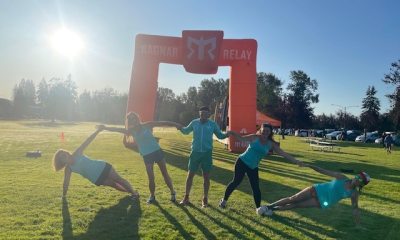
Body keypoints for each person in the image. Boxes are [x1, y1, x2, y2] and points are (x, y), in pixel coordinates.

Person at [218, 123, 303, 214]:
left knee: (256, 187)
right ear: (261, 130)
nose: (265, 132)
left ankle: (258, 208)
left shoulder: (271, 144)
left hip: (253, 167)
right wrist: (232, 133)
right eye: (264, 130)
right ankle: (224, 201)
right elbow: (241, 138)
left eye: (267, 131)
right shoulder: (255, 137)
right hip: (242, 162)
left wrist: (296, 161)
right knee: (236, 182)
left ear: (270, 132)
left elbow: (283, 154)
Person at [100, 112, 181, 204]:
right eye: (131, 119)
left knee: (165, 174)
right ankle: (152, 196)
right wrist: (105, 127)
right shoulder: (130, 131)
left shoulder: (147, 125)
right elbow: (117, 129)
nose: (133, 120)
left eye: (134, 118)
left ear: (137, 118)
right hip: (147, 156)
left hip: (157, 152)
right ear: (129, 121)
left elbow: (162, 122)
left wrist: (175, 125)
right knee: (151, 177)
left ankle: (173, 193)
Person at [264, 164, 370, 226]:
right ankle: (268, 207)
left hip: (322, 201)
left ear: (361, 184)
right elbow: (323, 171)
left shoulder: (354, 193)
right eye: (358, 176)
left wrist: (358, 223)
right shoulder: (342, 177)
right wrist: (310, 165)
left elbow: (355, 208)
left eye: (361, 179)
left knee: (296, 205)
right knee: (293, 198)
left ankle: (272, 210)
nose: (357, 178)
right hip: (315, 189)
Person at [53, 126, 139, 199]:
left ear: (67, 153)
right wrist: (63, 196)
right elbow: (66, 182)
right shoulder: (68, 168)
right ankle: (130, 192)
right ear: (61, 162)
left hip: (102, 167)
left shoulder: (77, 153)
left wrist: (98, 130)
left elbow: (88, 140)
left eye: (64, 154)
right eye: (61, 158)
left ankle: (134, 193)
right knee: (114, 185)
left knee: (118, 179)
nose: (64, 157)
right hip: (96, 178)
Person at [179, 106, 230, 207]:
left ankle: (205, 198)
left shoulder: (212, 124)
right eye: (202, 114)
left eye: (206, 114)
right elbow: (185, 131)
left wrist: (228, 134)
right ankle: (186, 197)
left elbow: (220, 135)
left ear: (209, 115)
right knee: (190, 176)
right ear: (199, 113)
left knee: (206, 177)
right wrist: (179, 127)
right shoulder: (194, 122)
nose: (203, 116)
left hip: (207, 153)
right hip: (195, 153)